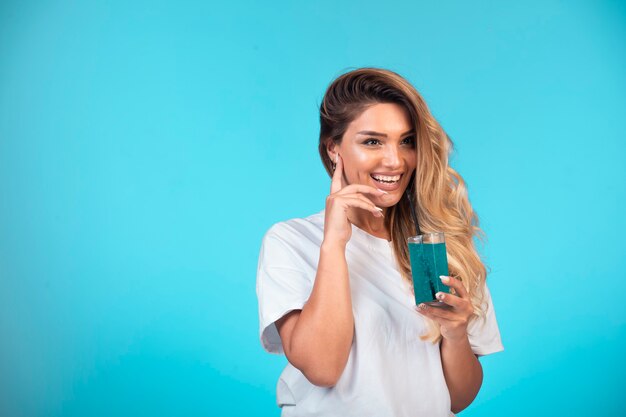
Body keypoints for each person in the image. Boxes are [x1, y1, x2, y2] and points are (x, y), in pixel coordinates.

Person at [256, 68, 504, 417]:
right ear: (333, 150)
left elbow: (457, 399)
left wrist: (457, 333)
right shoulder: (293, 241)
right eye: (372, 141)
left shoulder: (438, 249)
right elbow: (323, 369)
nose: (395, 161)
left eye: (407, 141)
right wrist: (335, 243)